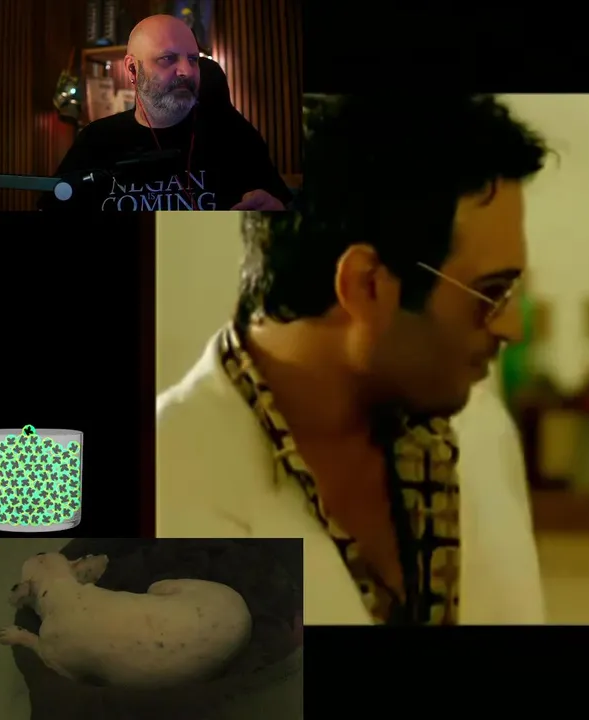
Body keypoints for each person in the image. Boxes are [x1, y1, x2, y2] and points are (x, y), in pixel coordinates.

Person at [156, 94, 550, 625]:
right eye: (492, 293)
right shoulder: (162, 483)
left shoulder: (482, 432)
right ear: (366, 285)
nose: (512, 329)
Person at [39, 14, 290, 211]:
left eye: (193, 59)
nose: (186, 71)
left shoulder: (233, 135)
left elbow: (284, 210)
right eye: (168, 58)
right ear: (132, 69)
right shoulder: (96, 139)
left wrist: (276, 210)